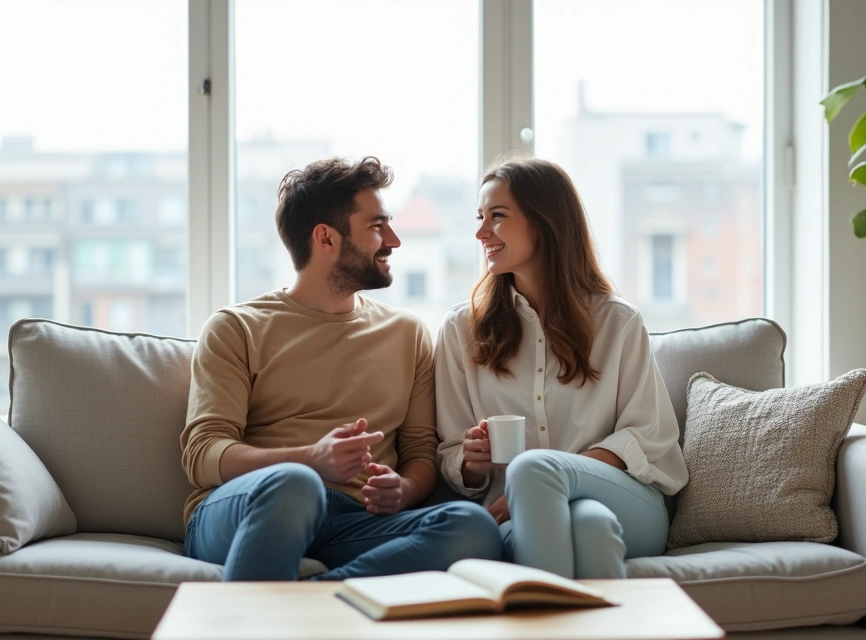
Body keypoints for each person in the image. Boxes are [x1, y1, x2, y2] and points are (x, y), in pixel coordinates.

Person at [181, 156, 501, 582]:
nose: (394, 240)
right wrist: (311, 460)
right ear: (326, 239)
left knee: (473, 527)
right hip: (252, 507)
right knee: (296, 484)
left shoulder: (406, 334)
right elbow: (202, 453)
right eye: (376, 226)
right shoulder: (236, 328)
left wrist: (403, 491)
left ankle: (326, 599)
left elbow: (421, 453)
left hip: (355, 521)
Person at [435, 156, 687, 579]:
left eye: (497, 216)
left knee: (533, 469)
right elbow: (451, 455)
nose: (481, 233)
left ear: (544, 222)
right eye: (480, 218)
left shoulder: (618, 322)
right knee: (590, 528)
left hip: (627, 500)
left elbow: (649, 435)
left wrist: (554, 475)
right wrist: (472, 462)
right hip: (526, 514)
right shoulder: (461, 330)